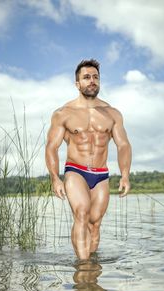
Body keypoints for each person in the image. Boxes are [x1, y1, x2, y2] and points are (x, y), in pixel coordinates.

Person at [45, 59, 132, 260]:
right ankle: (83, 266)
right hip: (76, 170)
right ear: (77, 84)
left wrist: (125, 176)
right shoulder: (63, 113)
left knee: (95, 222)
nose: (92, 81)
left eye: (95, 77)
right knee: (82, 213)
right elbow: (52, 147)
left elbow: (123, 145)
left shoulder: (112, 113)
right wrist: (55, 178)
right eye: (86, 77)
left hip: (101, 174)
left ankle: (91, 271)